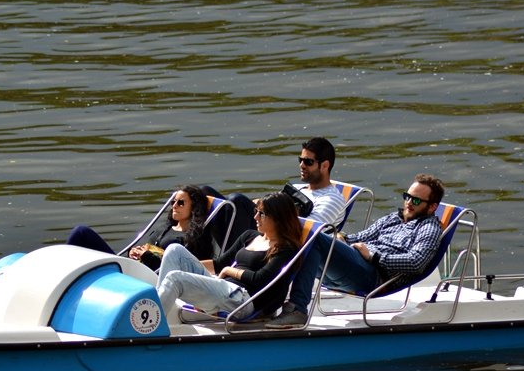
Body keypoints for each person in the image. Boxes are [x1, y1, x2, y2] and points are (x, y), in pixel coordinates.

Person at [267, 173, 445, 328]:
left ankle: (296, 309)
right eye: (407, 196)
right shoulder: (395, 218)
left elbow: (416, 263)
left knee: (314, 235)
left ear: (432, 207)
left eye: (415, 200)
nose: (408, 203)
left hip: (373, 275)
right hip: (354, 265)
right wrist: (343, 238)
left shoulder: (428, 228)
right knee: (306, 239)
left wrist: (374, 256)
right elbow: (363, 235)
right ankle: (269, 300)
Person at [155, 192, 301, 323]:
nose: (255, 217)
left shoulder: (285, 248)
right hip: (224, 288)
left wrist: (229, 271)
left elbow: (259, 279)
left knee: (175, 278)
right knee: (174, 250)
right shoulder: (250, 236)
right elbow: (219, 264)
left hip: (242, 300)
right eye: (256, 211)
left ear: (278, 218)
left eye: (262, 213)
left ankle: (152, 323)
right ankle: (154, 307)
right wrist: (185, 265)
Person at [202, 136, 345, 247]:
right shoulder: (298, 188)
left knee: (236, 200)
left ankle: (226, 262)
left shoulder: (331, 199)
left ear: (325, 166)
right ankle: (203, 254)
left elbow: (307, 231)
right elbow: (265, 205)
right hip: (264, 226)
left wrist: (272, 211)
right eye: (300, 160)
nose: (301, 165)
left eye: (308, 162)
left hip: (278, 240)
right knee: (204, 194)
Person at [66, 185, 213, 270]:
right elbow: (145, 248)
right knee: (80, 234)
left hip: (143, 278)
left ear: (194, 207)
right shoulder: (166, 229)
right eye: (173, 202)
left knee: (81, 233)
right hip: (133, 267)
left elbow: (178, 269)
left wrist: (146, 256)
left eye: (180, 203)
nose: (174, 206)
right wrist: (134, 252)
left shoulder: (194, 239)